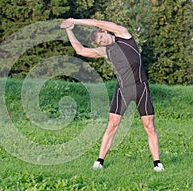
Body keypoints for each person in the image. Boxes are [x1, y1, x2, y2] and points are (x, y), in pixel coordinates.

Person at [60, 18, 164, 172]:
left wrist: (75, 20)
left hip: (141, 87)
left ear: (105, 31)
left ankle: (157, 164)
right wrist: (69, 30)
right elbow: (80, 50)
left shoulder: (123, 34)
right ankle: (100, 161)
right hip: (123, 89)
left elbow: (96, 22)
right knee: (112, 125)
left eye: (102, 37)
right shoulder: (105, 50)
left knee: (149, 126)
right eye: (101, 42)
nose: (104, 41)